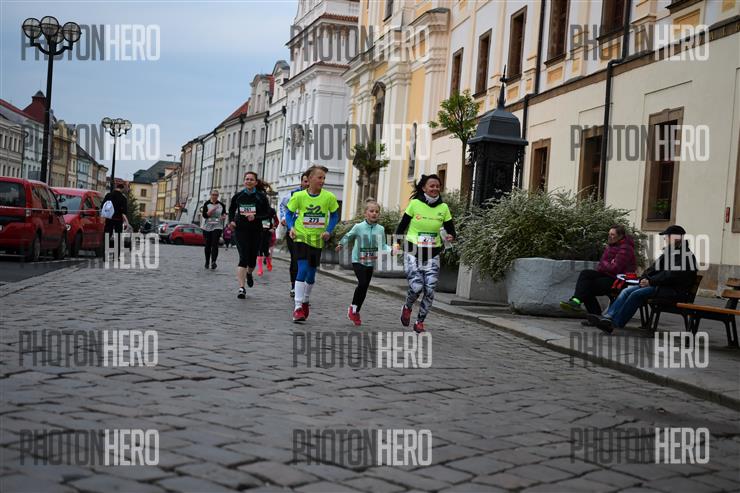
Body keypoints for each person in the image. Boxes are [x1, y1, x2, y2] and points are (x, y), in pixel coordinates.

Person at [588, 225, 697, 334]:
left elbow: (671, 276)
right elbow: (653, 269)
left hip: (674, 291)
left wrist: (651, 281)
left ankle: (615, 323)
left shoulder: (685, 256)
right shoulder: (669, 253)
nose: (665, 239)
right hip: (660, 286)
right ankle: (607, 318)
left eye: (667, 236)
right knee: (626, 291)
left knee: (636, 294)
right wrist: (644, 278)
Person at [394, 174, 455, 333]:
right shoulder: (415, 204)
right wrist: (397, 243)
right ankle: (407, 306)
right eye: (431, 186)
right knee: (416, 287)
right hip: (413, 250)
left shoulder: (444, 208)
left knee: (430, 290)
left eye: (437, 186)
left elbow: (451, 231)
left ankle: (419, 322)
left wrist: (451, 236)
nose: (435, 188)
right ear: (424, 188)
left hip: (433, 253)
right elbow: (401, 227)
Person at [285, 165, 340, 322]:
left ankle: (305, 299)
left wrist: (328, 230)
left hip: (317, 240)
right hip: (301, 237)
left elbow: (334, 216)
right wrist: (291, 227)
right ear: (309, 179)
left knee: (311, 274)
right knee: (302, 269)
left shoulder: (329, 197)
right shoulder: (299, 196)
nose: (322, 181)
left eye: (324, 178)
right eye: (319, 177)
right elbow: (289, 213)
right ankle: (297, 307)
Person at [336, 198, 393, 326]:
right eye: (371, 211)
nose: (374, 213)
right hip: (358, 260)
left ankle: (356, 311)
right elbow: (349, 235)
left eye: (376, 211)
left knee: (365, 287)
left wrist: (391, 251)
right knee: (362, 283)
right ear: (365, 213)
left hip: (370, 261)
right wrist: (341, 244)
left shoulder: (380, 229)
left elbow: (383, 245)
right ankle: (352, 308)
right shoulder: (359, 227)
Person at [560, 225, 636, 320]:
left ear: (620, 236)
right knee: (585, 273)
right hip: (607, 275)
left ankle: (594, 315)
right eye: (609, 234)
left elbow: (614, 268)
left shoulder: (625, 249)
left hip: (619, 280)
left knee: (587, 286)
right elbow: (603, 266)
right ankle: (576, 301)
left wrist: (604, 263)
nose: (609, 236)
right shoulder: (611, 246)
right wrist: (607, 263)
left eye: (612, 234)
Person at [228, 172, 271, 299]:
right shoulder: (238, 196)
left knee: (252, 260)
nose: (249, 181)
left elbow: (267, 213)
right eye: (247, 179)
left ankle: (249, 273)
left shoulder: (261, 197)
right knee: (243, 257)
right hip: (241, 230)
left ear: (256, 182)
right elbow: (231, 210)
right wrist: (231, 221)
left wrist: (255, 216)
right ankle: (241, 288)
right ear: (244, 181)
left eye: (251, 179)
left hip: (256, 231)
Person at [280, 171, 309, 297]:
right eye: (305, 181)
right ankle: (294, 286)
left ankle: (303, 285)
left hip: (310, 234)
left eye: (309, 181)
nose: (307, 184)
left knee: (307, 260)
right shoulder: (292, 195)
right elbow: (283, 206)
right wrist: (283, 218)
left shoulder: (318, 196)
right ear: (301, 182)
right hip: (293, 232)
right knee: (295, 259)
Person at [201, 189, 227, 269]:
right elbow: (205, 215)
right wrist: (212, 209)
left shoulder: (221, 205)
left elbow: (224, 214)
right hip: (208, 226)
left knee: (215, 243)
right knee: (208, 245)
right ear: (210, 195)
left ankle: (213, 262)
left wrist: (223, 217)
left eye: (216, 195)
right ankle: (207, 262)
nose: (215, 196)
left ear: (218, 196)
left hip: (217, 226)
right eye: (213, 195)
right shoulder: (207, 204)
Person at [101, 182, 129, 253]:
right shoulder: (123, 198)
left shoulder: (108, 195)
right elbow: (124, 212)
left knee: (107, 237)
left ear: (116, 187)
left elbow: (102, 206)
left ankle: (104, 254)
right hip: (118, 220)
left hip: (109, 219)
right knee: (118, 238)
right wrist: (126, 222)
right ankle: (116, 255)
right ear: (122, 189)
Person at [257, 206, 279, 276]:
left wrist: (274, 228)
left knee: (266, 251)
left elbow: (276, 221)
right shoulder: (257, 208)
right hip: (258, 232)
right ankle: (260, 269)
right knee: (259, 250)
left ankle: (269, 263)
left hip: (267, 232)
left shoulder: (271, 210)